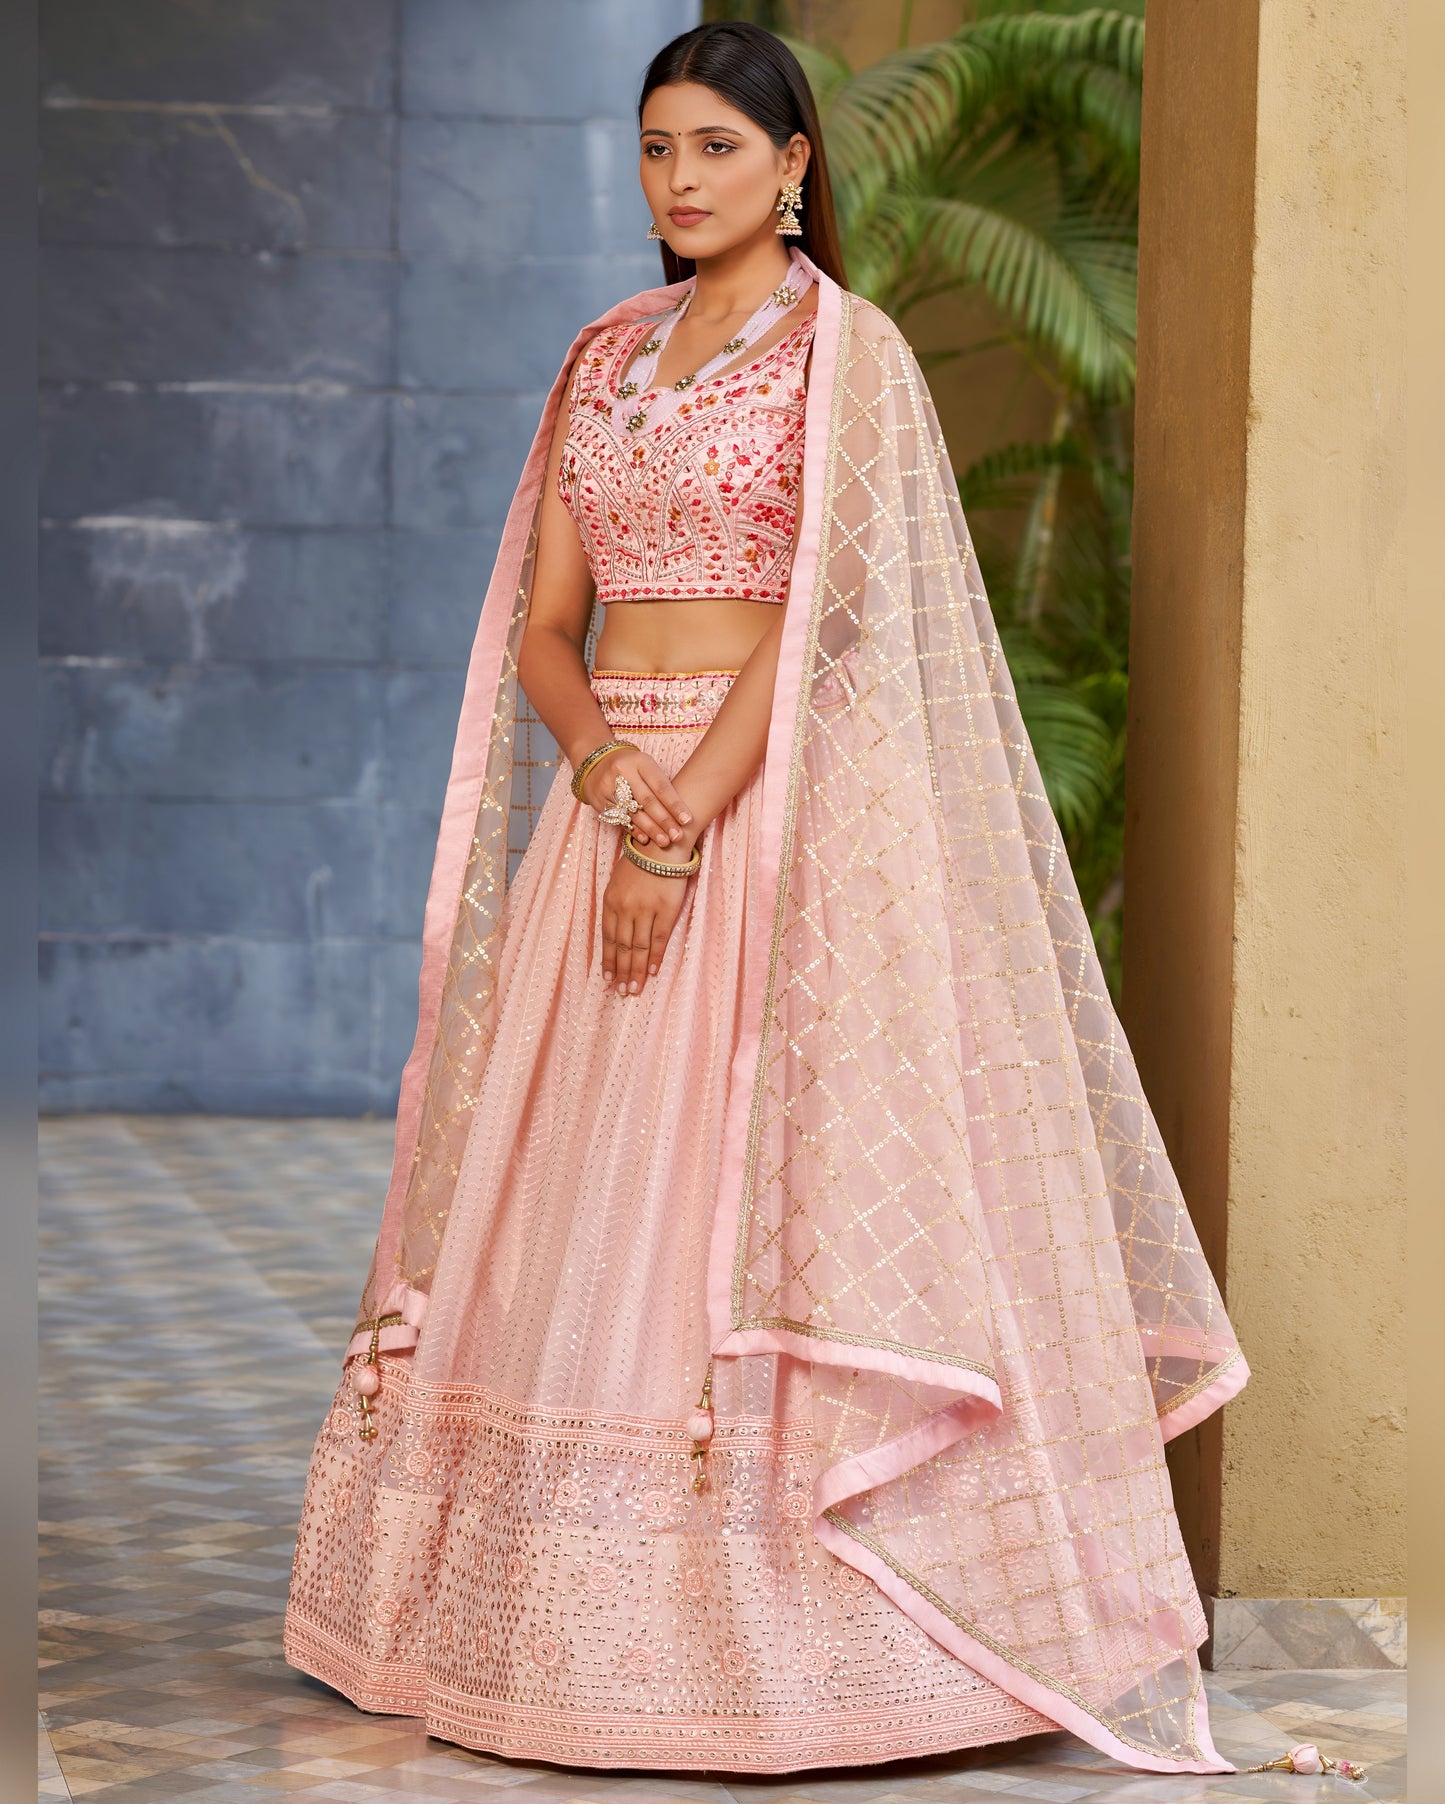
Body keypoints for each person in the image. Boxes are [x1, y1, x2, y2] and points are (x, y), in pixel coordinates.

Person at [282, 20, 1265, 1779]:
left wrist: (680, 828)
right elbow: (541, 624)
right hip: (618, 799)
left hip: (775, 819)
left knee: (751, 1179)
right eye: (654, 148)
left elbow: (830, 621)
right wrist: (604, 780)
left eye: (716, 150)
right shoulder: (601, 358)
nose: (678, 181)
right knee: (585, 1197)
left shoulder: (847, 357)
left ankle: (813, 1642)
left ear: (796, 161)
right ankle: (515, 1625)